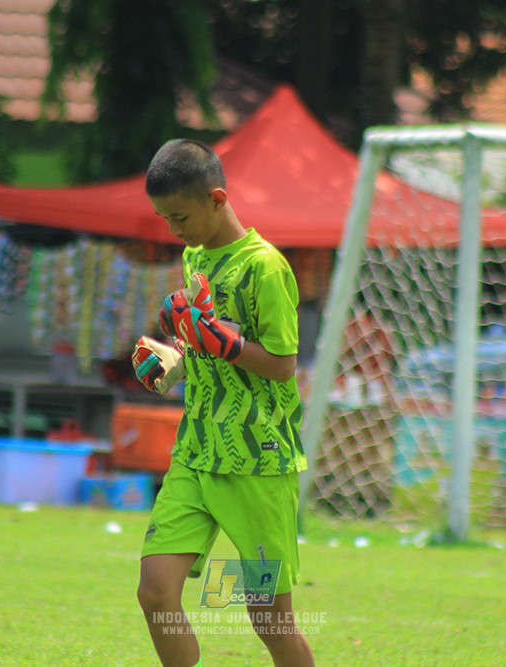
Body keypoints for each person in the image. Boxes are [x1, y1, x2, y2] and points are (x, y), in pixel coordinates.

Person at [134, 139, 315, 667]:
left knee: (269, 621)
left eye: (181, 216)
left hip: (257, 464)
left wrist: (227, 346)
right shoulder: (195, 256)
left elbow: (282, 364)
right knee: (156, 593)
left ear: (216, 199)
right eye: (164, 218)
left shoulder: (266, 268)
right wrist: (172, 358)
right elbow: (201, 345)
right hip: (196, 454)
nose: (174, 230)